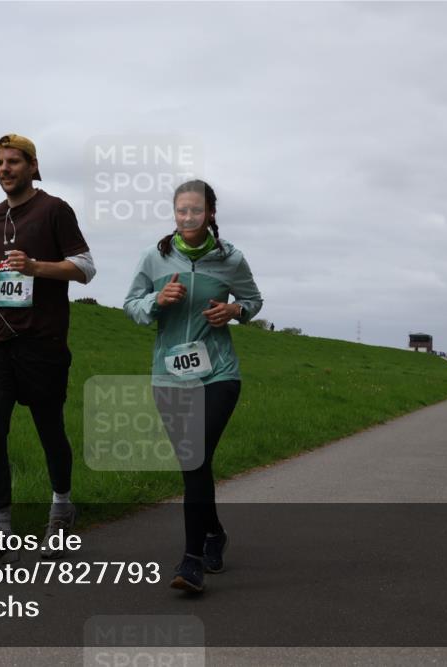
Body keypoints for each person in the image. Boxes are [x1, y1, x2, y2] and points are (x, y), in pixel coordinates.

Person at [124, 180, 262, 593]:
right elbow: (131, 306)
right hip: (169, 375)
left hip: (218, 373)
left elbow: (254, 302)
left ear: (211, 214)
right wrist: (156, 301)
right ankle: (214, 533)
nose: (188, 218)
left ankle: (192, 560)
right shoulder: (156, 256)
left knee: (195, 457)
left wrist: (234, 309)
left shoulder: (230, 259)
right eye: (181, 211)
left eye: (196, 211)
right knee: (194, 465)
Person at [0, 134, 96, 564]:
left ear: (33, 166)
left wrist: (37, 267)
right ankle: (0, 530)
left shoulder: (55, 210)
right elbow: (5, 275)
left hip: (43, 341)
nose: (5, 169)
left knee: (49, 431)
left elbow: (85, 268)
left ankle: (62, 506)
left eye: (14, 162)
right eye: (0, 162)